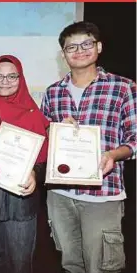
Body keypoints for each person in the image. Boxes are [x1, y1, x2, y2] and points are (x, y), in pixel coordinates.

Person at [40, 21, 136, 273]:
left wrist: (113, 155)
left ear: (99, 46)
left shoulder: (124, 87)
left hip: (103, 193)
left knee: (102, 266)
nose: (79, 50)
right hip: (60, 194)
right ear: (63, 54)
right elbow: (44, 135)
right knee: (70, 263)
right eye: (71, 46)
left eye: (86, 44)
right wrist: (53, 131)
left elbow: (135, 138)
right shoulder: (52, 93)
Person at [0, 55, 49, 273]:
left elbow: (45, 159)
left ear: (20, 78)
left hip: (21, 201)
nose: (5, 81)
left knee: (20, 264)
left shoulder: (33, 114)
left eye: (12, 76)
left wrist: (34, 172)